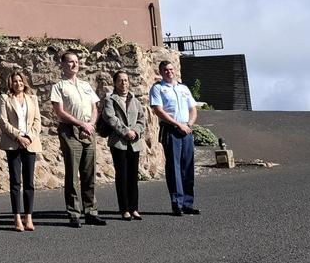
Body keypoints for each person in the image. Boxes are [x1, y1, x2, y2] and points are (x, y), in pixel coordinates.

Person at [50, 50, 105, 228]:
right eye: (70, 61)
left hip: (88, 130)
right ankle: (74, 213)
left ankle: (91, 211)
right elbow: (59, 111)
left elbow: (95, 107)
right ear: (63, 64)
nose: (75, 64)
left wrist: (91, 124)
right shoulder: (59, 86)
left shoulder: (85, 85)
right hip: (70, 131)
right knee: (73, 174)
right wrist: (81, 124)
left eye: (77, 61)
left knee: (89, 174)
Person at [150, 61, 200, 217]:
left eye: (171, 69)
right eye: (165, 70)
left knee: (188, 166)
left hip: (186, 130)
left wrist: (189, 124)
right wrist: (178, 124)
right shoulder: (158, 88)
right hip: (171, 129)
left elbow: (193, 109)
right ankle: (177, 204)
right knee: (174, 167)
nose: (169, 72)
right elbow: (158, 110)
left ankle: (188, 203)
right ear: (160, 72)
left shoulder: (183, 88)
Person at [0, 70, 41, 232]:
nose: (18, 84)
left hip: (30, 143)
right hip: (13, 143)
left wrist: (29, 137)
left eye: (20, 81)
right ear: (11, 83)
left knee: (29, 182)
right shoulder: (5, 98)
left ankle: (28, 217)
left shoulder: (32, 98)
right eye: (15, 81)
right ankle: (16, 217)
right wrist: (18, 137)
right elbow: (3, 122)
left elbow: (37, 121)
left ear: (24, 82)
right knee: (15, 181)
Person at [101, 70, 147, 221]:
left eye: (126, 80)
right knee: (122, 176)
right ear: (115, 83)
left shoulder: (135, 100)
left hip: (134, 143)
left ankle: (134, 208)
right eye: (120, 80)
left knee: (133, 176)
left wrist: (135, 132)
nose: (124, 83)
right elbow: (110, 118)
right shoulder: (110, 100)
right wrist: (125, 132)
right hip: (119, 143)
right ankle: (125, 209)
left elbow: (141, 119)